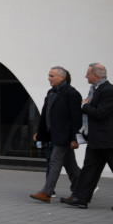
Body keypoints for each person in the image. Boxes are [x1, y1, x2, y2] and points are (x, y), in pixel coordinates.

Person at [66, 63, 113, 211]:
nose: (86, 76)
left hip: (111, 140)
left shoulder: (108, 90)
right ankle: (81, 198)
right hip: (97, 139)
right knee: (89, 170)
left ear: (95, 75)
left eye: (88, 74)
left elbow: (101, 113)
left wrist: (84, 106)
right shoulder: (96, 89)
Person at [29, 66, 82, 203]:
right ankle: (81, 191)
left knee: (54, 162)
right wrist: (40, 133)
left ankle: (46, 193)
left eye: (52, 76)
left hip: (64, 137)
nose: (49, 78)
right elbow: (47, 115)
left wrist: (75, 138)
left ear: (61, 77)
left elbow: (76, 118)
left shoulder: (72, 94)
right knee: (71, 166)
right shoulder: (51, 92)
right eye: (49, 75)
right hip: (55, 135)